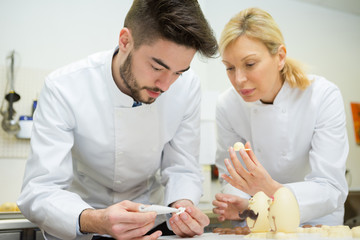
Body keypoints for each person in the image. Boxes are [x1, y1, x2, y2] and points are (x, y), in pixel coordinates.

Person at [17, 0, 218, 239]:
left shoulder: (187, 87)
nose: (166, 85)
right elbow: (40, 189)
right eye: (156, 67)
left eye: (178, 72)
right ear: (125, 41)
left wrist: (182, 207)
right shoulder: (64, 87)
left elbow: (182, 167)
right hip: (81, 225)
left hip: (150, 225)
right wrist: (96, 219)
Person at [212, 7, 348, 227]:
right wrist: (241, 206)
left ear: (280, 57)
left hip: (315, 220)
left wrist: (269, 189)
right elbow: (232, 176)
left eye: (249, 64)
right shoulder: (228, 105)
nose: (238, 80)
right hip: (258, 220)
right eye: (229, 68)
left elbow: (331, 188)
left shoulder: (322, 96)